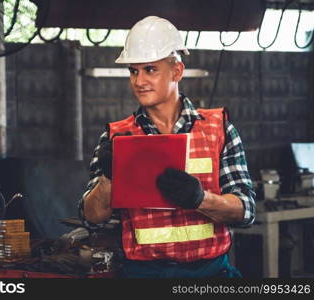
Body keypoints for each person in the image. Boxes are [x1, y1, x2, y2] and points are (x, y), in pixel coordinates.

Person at [78, 16, 256, 278]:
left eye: (150, 69)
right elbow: (92, 217)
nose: (139, 81)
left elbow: (247, 210)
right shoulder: (116, 138)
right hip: (143, 276)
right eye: (133, 71)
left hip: (212, 274)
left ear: (177, 71)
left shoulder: (219, 129)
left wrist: (200, 199)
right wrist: (107, 179)